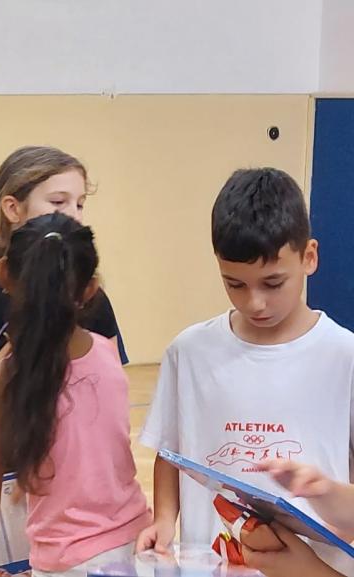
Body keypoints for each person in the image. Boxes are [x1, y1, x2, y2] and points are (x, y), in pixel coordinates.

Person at [137, 168, 354, 576]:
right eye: (235, 284)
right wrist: (164, 520)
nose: (255, 303)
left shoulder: (345, 356)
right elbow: (169, 452)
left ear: (309, 257)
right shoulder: (190, 352)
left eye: (273, 283)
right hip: (213, 565)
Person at [0, 213, 149, 577]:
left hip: (68, 563)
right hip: (139, 550)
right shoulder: (106, 353)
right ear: (90, 289)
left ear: (2, 273)